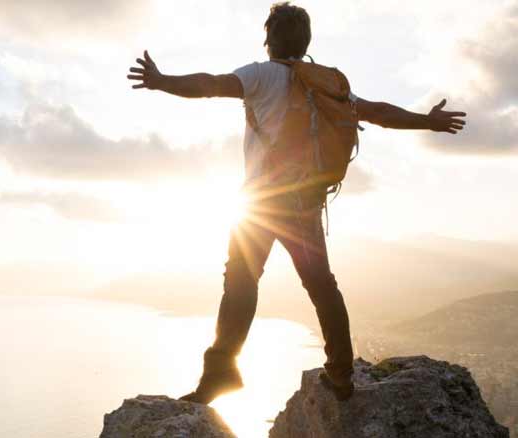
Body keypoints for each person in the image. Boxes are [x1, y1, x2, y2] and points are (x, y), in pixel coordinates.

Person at [126, 1, 466, 404]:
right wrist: (426, 121)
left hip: (260, 205)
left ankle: (219, 376)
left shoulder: (262, 75)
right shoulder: (325, 83)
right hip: (305, 203)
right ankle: (341, 375)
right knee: (322, 286)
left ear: (269, 40)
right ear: (305, 43)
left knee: (240, 284)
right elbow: (377, 112)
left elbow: (210, 85)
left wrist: (161, 80)